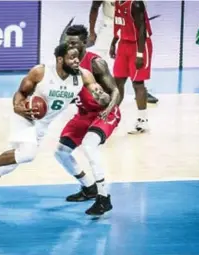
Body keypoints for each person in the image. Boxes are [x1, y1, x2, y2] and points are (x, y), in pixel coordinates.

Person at [0, 43, 108, 196]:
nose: (76, 61)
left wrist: (102, 97)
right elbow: (21, 93)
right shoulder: (41, 72)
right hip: (26, 117)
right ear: (60, 60)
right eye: (71, 58)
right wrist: (17, 106)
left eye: (77, 57)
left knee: (8, 166)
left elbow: (99, 93)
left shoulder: (83, 75)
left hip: (43, 124)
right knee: (28, 154)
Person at [56, 24, 121, 215]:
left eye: (74, 43)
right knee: (61, 152)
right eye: (68, 42)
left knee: (89, 146)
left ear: (85, 43)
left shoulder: (96, 63)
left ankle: (104, 197)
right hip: (83, 113)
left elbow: (115, 90)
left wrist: (107, 109)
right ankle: (89, 187)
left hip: (105, 112)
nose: (70, 46)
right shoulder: (67, 62)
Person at [88, 0, 159, 105]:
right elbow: (95, 7)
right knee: (100, 63)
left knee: (133, 70)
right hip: (110, 24)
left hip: (131, 24)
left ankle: (140, 91)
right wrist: (92, 31)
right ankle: (93, 93)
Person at [110, 0, 154, 134]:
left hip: (139, 45)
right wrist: (113, 42)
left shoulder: (136, 3)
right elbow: (120, 25)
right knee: (117, 81)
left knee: (138, 83)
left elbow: (142, 29)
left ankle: (143, 121)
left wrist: (140, 54)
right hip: (124, 43)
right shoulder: (117, 2)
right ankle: (111, 115)